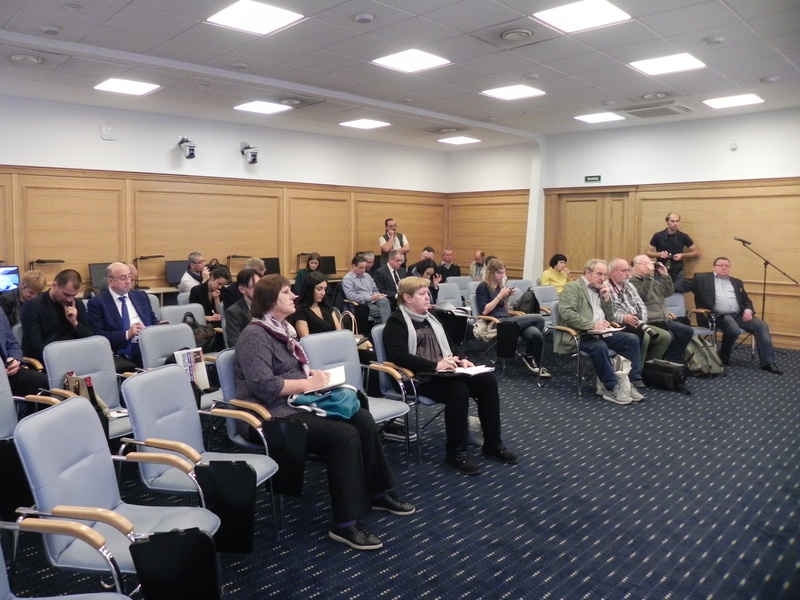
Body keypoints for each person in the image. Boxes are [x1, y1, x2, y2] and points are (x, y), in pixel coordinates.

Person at [233, 274, 414, 550]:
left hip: (297, 403)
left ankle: (377, 492)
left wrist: (312, 376)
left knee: (362, 418)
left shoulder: (283, 328)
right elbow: (263, 385)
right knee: (343, 435)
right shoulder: (254, 336)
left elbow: (290, 372)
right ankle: (344, 523)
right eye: (286, 292)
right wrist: (309, 383)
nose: (294, 296)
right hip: (268, 417)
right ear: (269, 300)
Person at [384, 276, 518, 476]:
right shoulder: (396, 322)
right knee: (458, 391)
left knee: (487, 381)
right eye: (422, 293)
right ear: (407, 298)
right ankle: (456, 454)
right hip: (417, 377)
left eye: (428, 293)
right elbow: (399, 356)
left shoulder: (431, 316)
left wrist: (462, 360)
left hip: (444, 372)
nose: (428, 297)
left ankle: (492, 443)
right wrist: (435, 365)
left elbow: (450, 344)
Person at [556, 259, 645, 405]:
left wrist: (607, 299)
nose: (602, 278)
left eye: (604, 275)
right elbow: (567, 313)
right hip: (579, 334)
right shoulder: (572, 288)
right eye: (599, 274)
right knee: (599, 346)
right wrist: (591, 325)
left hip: (601, 333)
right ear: (587, 273)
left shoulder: (600, 289)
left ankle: (629, 382)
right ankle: (610, 387)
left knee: (631, 339)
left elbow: (610, 318)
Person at [683, 257, 781, 373]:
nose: (724, 267)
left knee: (761, 325)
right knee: (733, 328)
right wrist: (665, 282)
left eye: (727, 266)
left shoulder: (736, 282)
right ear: (713, 267)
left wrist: (748, 310)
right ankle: (724, 356)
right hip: (716, 316)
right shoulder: (701, 278)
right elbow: (681, 286)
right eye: (721, 265)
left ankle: (768, 362)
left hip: (739, 315)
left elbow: (746, 300)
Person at [476, 259, 549, 376]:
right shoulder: (483, 287)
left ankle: (530, 356)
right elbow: (484, 311)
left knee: (536, 334)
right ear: (491, 272)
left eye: (503, 273)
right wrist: (500, 296)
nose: (502, 276)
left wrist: (507, 298)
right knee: (539, 318)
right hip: (495, 323)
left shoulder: (500, 286)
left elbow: (505, 310)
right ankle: (529, 356)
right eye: (499, 273)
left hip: (507, 319)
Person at [87, 262, 159, 368]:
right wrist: (127, 334)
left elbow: (152, 320)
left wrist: (160, 326)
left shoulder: (141, 296)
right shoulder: (97, 303)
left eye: (129, 277)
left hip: (148, 342)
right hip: (122, 349)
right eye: (123, 278)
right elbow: (99, 336)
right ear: (110, 281)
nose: (128, 281)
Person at [629, 255, 693, 364]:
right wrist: (648, 277)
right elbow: (644, 296)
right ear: (635, 267)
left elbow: (668, 292)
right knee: (669, 336)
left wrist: (665, 276)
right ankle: (653, 364)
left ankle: (672, 360)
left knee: (686, 331)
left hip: (663, 319)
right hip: (650, 321)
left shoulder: (652, 281)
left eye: (650, 263)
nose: (649, 266)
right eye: (645, 264)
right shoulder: (632, 282)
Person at [20, 269, 93, 363]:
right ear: (54, 285)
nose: (69, 299)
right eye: (66, 294)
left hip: (75, 356)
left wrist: (75, 323)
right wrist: (63, 355)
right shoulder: (33, 306)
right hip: (47, 360)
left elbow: (89, 338)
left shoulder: (77, 304)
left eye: (73, 295)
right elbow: (35, 346)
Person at [606, 258, 671, 363]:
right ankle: (637, 369)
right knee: (645, 337)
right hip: (620, 325)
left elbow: (641, 305)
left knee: (665, 337)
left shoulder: (629, 285)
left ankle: (650, 367)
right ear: (613, 272)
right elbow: (607, 312)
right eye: (624, 271)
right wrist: (623, 318)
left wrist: (642, 321)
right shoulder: (606, 288)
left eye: (628, 270)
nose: (628, 274)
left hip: (639, 322)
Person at [0, 309, 50, 417]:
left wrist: (15, 359)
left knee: (44, 383)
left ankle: (31, 424)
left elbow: (12, 343)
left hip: (7, 372)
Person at [647, 212, 701, 292]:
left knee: (677, 293)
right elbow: (648, 252)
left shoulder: (683, 236)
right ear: (667, 221)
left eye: (677, 221)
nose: (675, 224)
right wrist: (659, 254)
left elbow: (697, 252)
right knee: (659, 293)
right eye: (672, 221)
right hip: (661, 270)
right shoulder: (658, 235)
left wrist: (682, 255)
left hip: (678, 271)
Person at [341, 255, 391, 324]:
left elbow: (375, 289)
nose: (364, 270)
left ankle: (383, 325)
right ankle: (385, 326)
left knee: (385, 302)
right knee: (385, 310)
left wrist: (379, 295)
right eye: (361, 268)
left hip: (374, 300)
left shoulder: (367, 276)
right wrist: (369, 298)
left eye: (365, 267)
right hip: (360, 304)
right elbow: (351, 296)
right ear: (354, 266)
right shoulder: (348, 279)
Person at [224, 268, 260, 348]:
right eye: (254, 287)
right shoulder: (233, 312)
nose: (259, 290)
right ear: (242, 289)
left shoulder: (269, 306)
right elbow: (235, 343)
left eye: (260, 286)